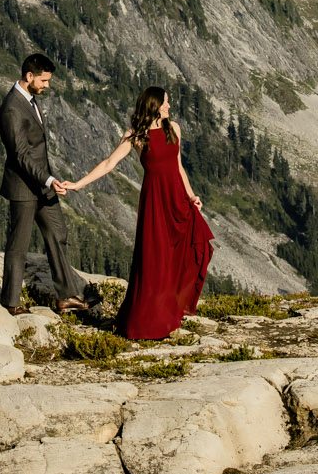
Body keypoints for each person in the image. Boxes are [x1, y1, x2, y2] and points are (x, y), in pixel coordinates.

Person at [62, 86, 214, 340]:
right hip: (155, 203)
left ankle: (172, 309)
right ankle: (148, 320)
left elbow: (178, 167)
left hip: (177, 201)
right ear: (154, 105)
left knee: (195, 247)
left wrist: (191, 195)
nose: (169, 106)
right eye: (165, 102)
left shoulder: (174, 128)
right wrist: (78, 184)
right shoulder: (135, 135)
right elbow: (109, 163)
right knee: (154, 259)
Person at [0, 53, 85, 314]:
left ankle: (66, 295)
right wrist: (49, 178)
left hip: (43, 185)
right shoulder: (12, 108)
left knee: (58, 233)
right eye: (44, 80)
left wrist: (48, 179)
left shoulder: (30, 100)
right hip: (24, 187)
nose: (47, 85)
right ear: (29, 76)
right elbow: (20, 154)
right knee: (19, 244)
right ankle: (10, 303)